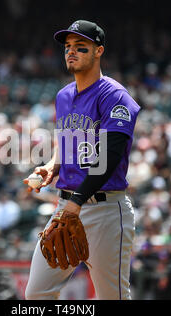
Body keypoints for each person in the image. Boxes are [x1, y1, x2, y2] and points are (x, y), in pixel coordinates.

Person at [24, 20, 141, 300]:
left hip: (106, 210)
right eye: (67, 48)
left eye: (80, 47)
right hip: (67, 205)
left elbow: (110, 156)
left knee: (112, 297)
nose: (71, 52)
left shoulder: (114, 96)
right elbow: (66, 140)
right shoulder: (64, 96)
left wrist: (75, 203)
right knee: (37, 292)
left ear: (98, 51)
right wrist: (53, 165)